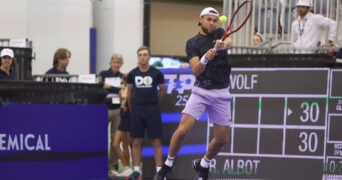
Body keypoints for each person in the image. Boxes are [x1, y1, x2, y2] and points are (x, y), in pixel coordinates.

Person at [154, 7, 232, 180]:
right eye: (208, 19)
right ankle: (168, 164)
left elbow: (230, 41)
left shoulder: (219, 32)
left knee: (221, 139)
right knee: (182, 130)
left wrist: (223, 44)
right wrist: (206, 57)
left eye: (214, 20)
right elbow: (196, 70)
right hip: (201, 91)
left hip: (222, 92)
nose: (212, 23)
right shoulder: (193, 43)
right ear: (201, 19)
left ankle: (203, 164)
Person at [127, 45, 166, 180]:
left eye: (145, 54)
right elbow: (129, 93)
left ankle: (160, 172)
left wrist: (154, 102)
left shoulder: (156, 73)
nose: (142, 57)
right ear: (138, 57)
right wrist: (132, 109)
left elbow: (162, 90)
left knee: (156, 140)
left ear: (149, 57)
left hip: (152, 110)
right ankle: (137, 170)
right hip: (137, 110)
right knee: (136, 141)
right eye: (140, 55)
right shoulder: (132, 74)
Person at [99, 53, 125, 176]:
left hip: (118, 110)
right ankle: (100, 163)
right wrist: (116, 88)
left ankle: (112, 165)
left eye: (118, 62)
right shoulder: (103, 74)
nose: (116, 64)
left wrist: (111, 87)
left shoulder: (123, 76)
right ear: (110, 63)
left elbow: (123, 91)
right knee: (100, 137)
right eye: (114, 62)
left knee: (115, 139)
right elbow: (101, 87)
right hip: (103, 108)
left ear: (121, 64)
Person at [111, 73, 133, 177]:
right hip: (123, 116)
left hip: (127, 117)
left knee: (125, 145)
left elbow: (128, 101)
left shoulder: (130, 89)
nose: (122, 81)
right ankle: (127, 168)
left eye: (124, 80)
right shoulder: (123, 89)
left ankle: (128, 168)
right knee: (116, 144)